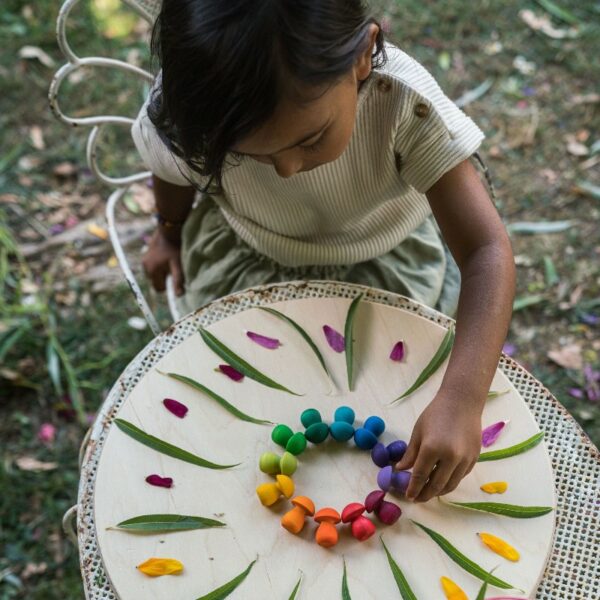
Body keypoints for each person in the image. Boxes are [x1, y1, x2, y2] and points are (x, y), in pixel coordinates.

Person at [131, 0, 516, 503]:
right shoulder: (196, 102)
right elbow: (171, 167)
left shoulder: (404, 104)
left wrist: (463, 398)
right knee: (250, 418)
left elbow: (487, 249)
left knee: (372, 395)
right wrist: (168, 232)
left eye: (311, 138)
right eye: (252, 155)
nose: (287, 169)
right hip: (250, 263)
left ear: (363, 55)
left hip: (381, 269)